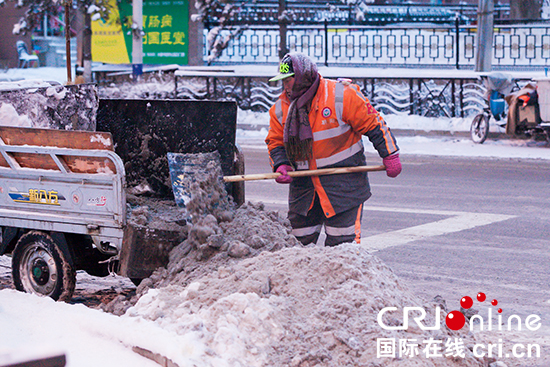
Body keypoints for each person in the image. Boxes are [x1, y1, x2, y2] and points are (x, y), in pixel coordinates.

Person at [265, 52, 401, 247]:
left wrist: (390, 154)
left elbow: (374, 124)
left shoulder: (341, 95)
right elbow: (275, 142)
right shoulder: (281, 108)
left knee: (343, 249)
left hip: (343, 186)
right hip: (305, 190)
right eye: (283, 81)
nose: (285, 86)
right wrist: (281, 164)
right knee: (295, 248)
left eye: (289, 80)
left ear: (303, 76)